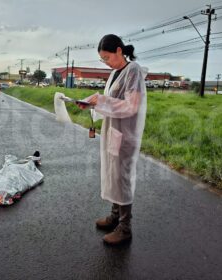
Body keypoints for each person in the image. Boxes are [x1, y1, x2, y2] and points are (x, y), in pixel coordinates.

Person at [77, 34, 147, 245]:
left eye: (107, 57)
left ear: (119, 50)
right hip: (113, 131)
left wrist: (101, 100)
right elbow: (111, 101)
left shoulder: (132, 70)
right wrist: (92, 103)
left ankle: (125, 228)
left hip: (125, 134)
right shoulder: (116, 73)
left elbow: (131, 105)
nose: (106, 63)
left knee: (122, 177)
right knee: (113, 173)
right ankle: (115, 216)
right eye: (102, 60)